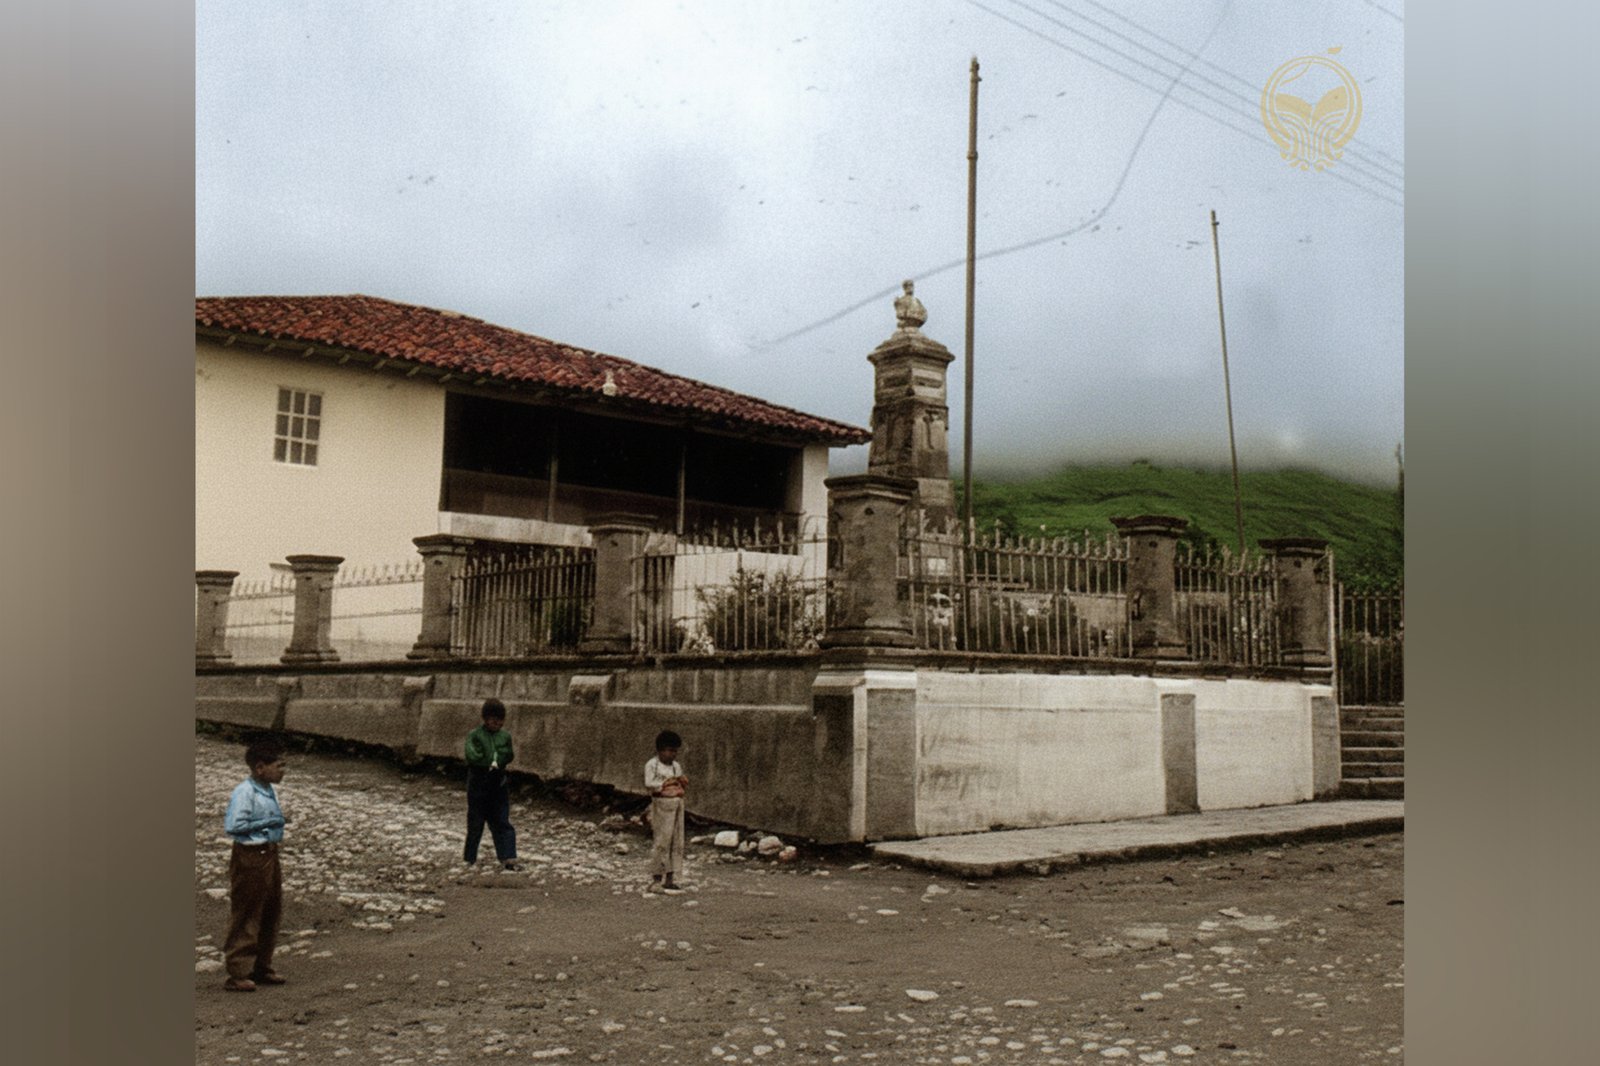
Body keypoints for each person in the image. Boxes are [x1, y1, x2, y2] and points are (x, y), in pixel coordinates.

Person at [222, 735, 290, 992]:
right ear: (260, 767)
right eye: (279, 766)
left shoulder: (267, 789)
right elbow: (234, 826)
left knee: (271, 908)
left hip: (268, 853)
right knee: (247, 910)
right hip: (250, 855)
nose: (282, 771)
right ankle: (239, 970)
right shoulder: (245, 792)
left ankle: (261, 966)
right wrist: (271, 822)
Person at [464, 698, 521, 871]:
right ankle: (470, 857)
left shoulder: (505, 736)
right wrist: (489, 760)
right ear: (485, 719)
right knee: (476, 822)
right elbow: (472, 755)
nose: (497, 723)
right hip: (478, 780)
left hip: (498, 781)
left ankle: (508, 856)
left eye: (500, 720)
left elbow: (508, 754)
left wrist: (498, 760)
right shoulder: (475, 735)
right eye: (493, 719)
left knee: (501, 820)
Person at [644, 730, 689, 894]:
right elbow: (649, 783)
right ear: (660, 750)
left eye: (675, 751)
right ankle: (656, 879)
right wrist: (665, 784)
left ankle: (670, 879)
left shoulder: (676, 766)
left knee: (676, 841)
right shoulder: (652, 765)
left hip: (677, 804)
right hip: (662, 805)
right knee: (662, 841)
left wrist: (680, 782)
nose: (673, 754)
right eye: (669, 750)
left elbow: (681, 782)